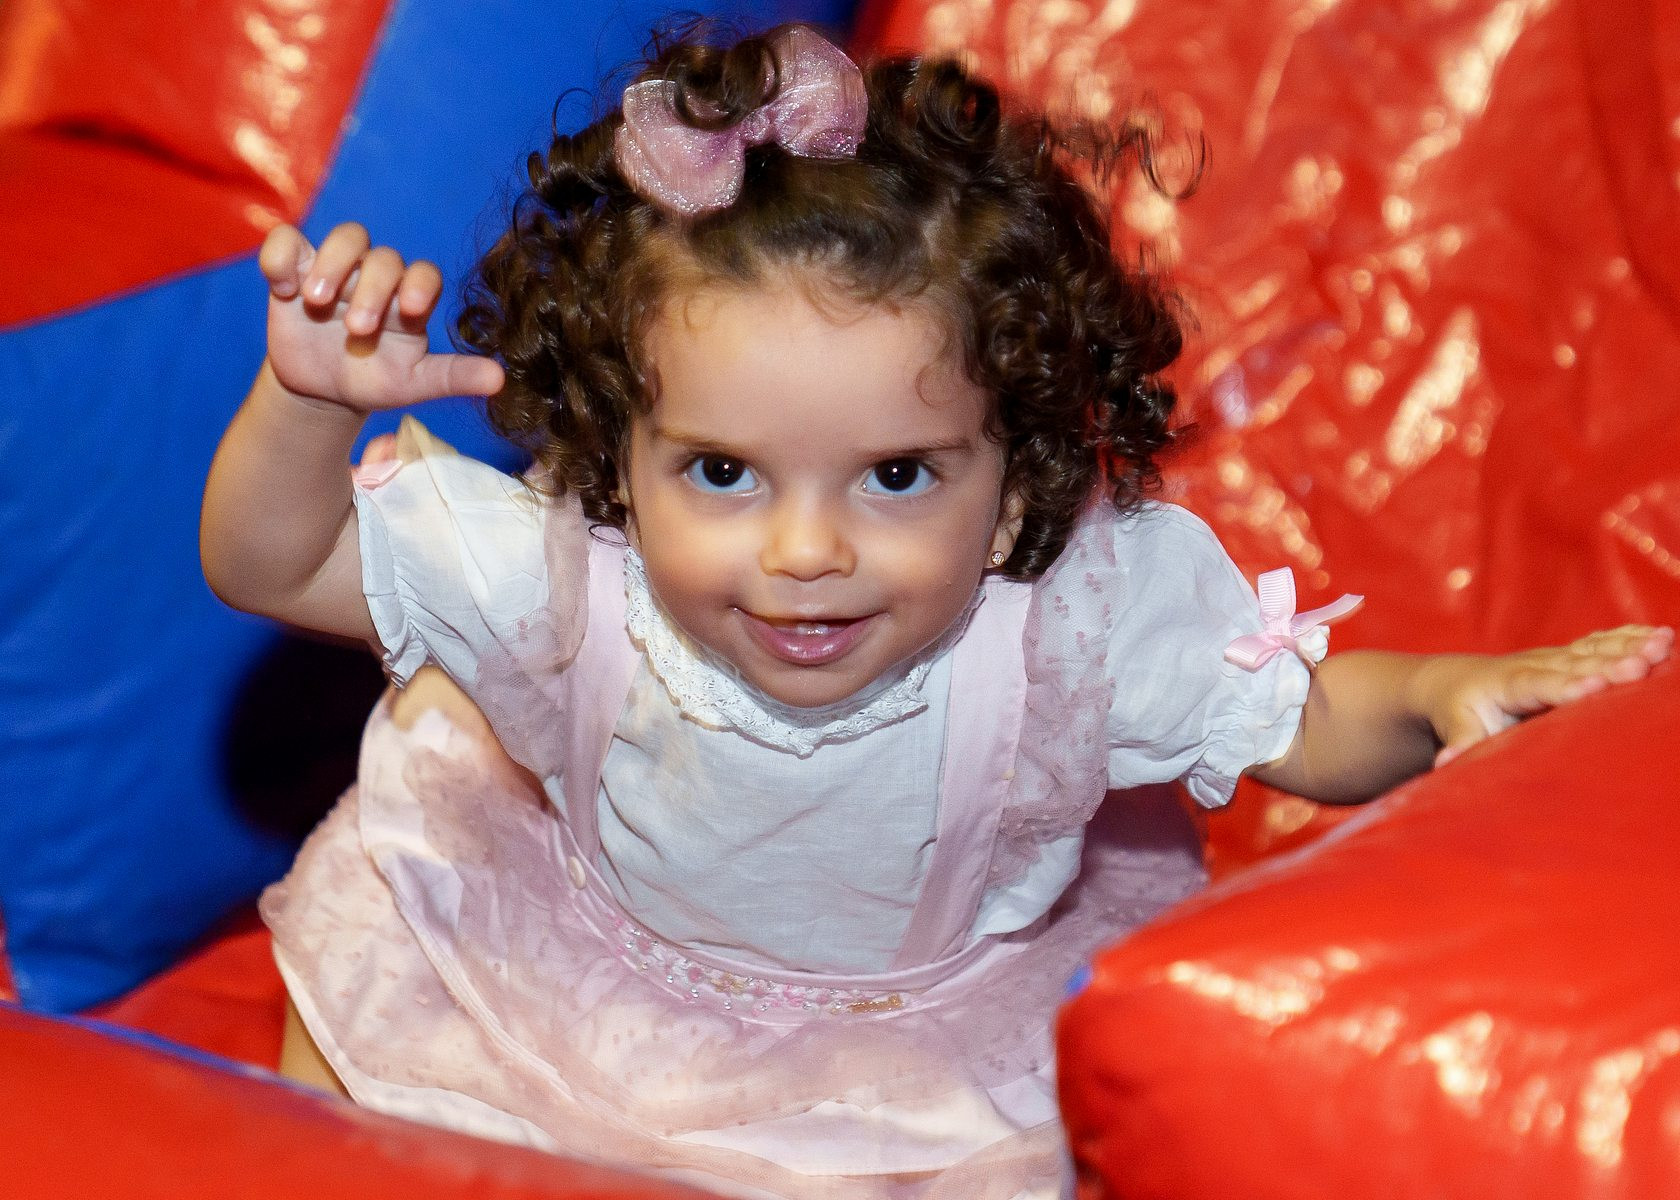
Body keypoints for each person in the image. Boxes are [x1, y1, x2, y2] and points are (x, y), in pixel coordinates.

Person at [200, 23, 1671, 1200]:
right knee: (381, 985)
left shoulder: (1071, 619)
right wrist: (305, 404)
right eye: (722, 472)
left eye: (897, 476)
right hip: (570, 983)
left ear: (1016, 479)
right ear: (614, 461)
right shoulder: (571, 579)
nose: (806, 551)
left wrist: (1440, 701)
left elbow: (1311, 714)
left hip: (906, 1065)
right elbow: (274, 563)